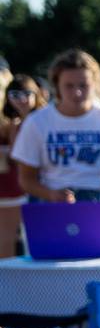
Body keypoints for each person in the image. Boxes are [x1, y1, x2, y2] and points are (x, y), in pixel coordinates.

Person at [13, 49, 100, 209]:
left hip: (98, 201)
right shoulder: (37, 122)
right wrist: (50, 194)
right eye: (69, 86)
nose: (77, 92)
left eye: (83, 85)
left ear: (95, 85)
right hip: (52, 203)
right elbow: (26, 179)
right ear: (57, 85)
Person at [0, 75, 48, 256]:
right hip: (22, 189)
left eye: (27, 93)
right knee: (18, 240)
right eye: (15, 94)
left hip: (46, 187)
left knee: (41, 239)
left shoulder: (46, 120)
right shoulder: (13, 125)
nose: (21, 99)